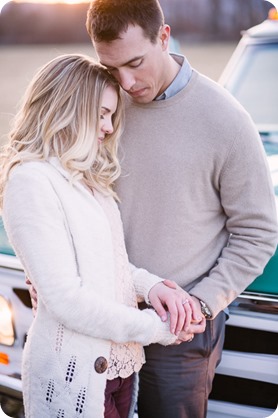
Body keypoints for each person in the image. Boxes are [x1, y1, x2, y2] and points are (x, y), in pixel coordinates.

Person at [86, 1, 278, 417]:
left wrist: (201, 304)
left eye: (136, 62)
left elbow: (258, 233)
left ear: (164, 37)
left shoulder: (226, 120)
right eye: (111, 69)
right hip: (100, 318)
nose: (127, 82)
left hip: (179, 332)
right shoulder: (103, 110)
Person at [0, 53, 200, 418]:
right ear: (69, 106)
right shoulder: (30, 181)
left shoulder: (90, 181)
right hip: (73, 375)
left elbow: (114, 266)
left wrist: (154, 288)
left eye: (112, 116)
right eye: (104, 113)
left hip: (120, 370)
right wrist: (157, 328)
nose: (109, 128)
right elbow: (66, 300)